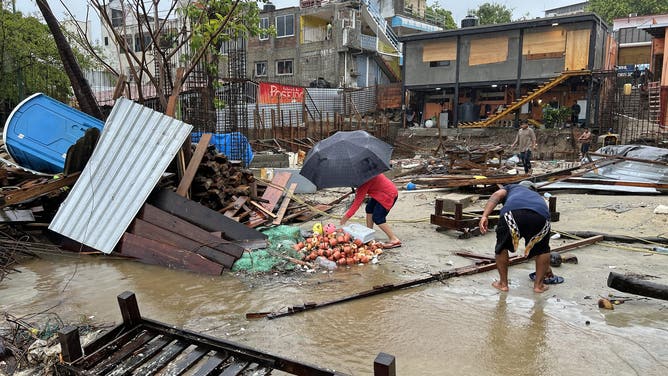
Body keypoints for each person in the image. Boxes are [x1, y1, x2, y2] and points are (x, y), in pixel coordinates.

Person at [479, 181, 557, 293]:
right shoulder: (538, 197)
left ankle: (503, 284)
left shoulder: (512, 187)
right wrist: (546, 268)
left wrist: (484, 216)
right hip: (540, 216)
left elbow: (497, 195)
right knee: (542, 250)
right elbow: (540, 251)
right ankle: (538, 286)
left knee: (502, 247)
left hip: (512, 214)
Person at [340, 173, 401, 249]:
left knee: (378, 218)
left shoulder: (364, 181)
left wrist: (345, 217)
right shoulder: (366, 172)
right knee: (369, 208)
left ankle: (394, 239)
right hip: (382, 192)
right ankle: (369, 233)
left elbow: (357, 203)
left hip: (389, 194)